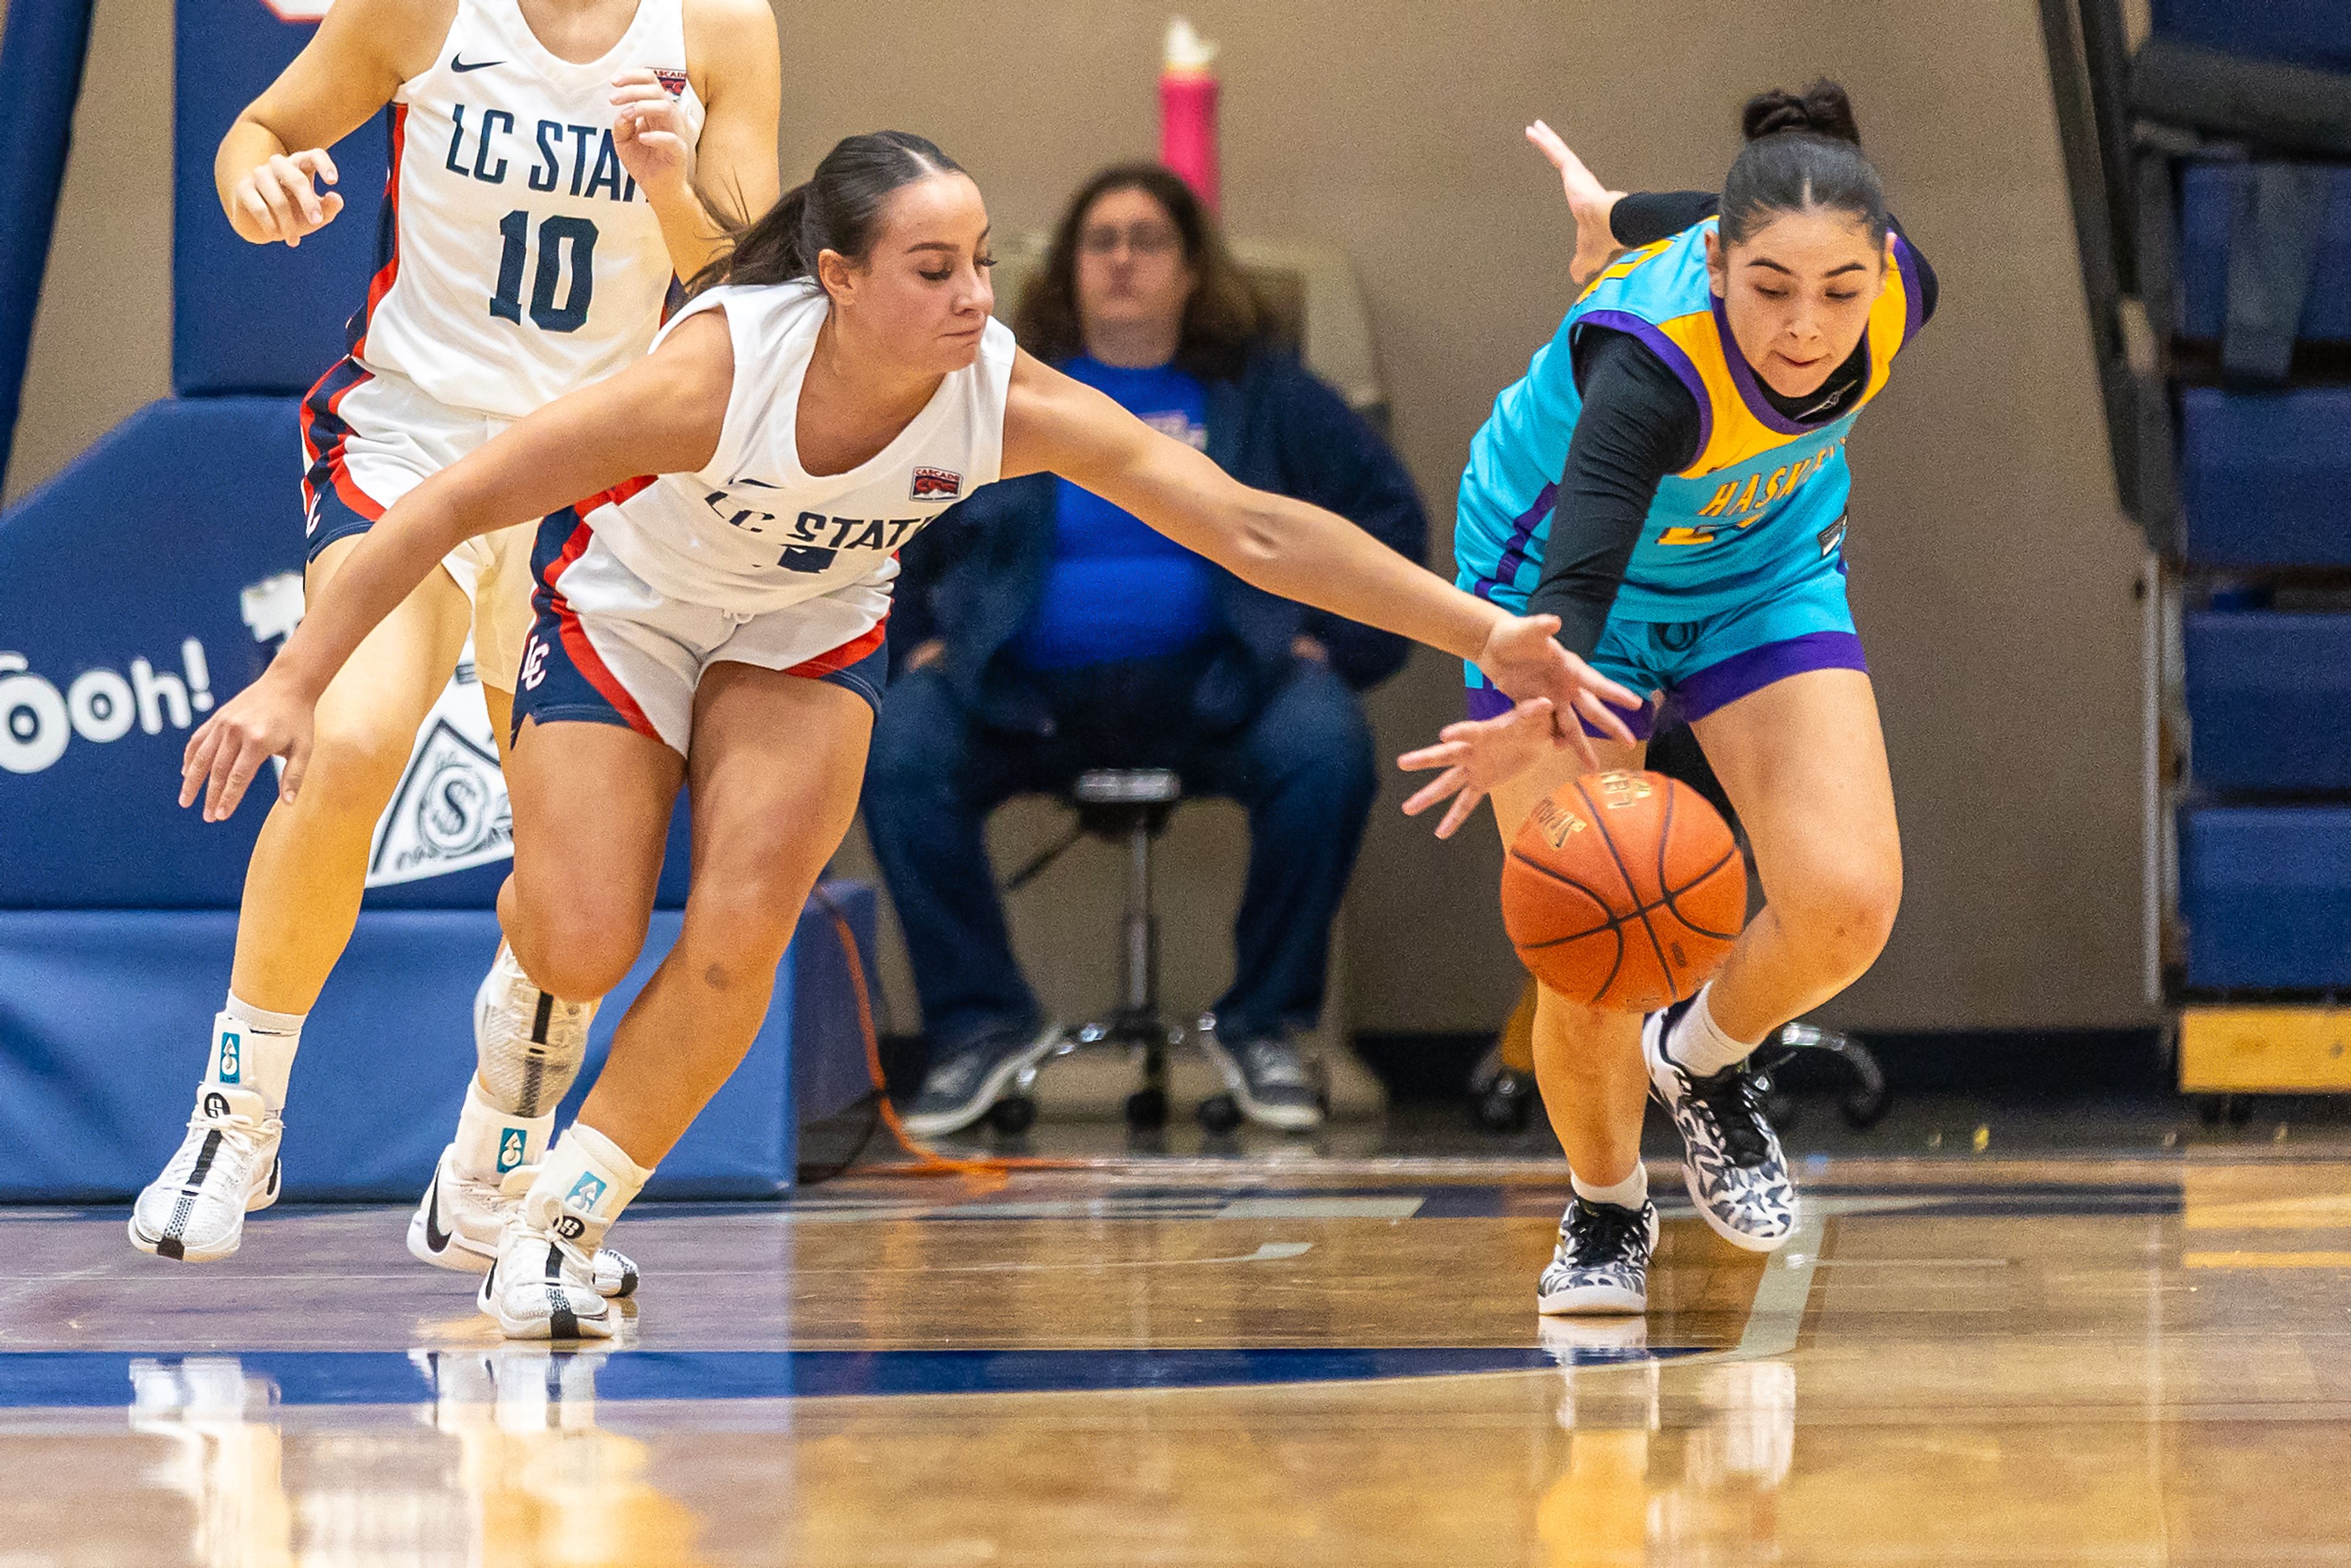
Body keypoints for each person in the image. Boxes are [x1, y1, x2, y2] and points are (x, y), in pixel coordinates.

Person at [176, 131, 1640, 1339]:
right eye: (934, 268)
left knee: (747, 916)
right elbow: (444, 504)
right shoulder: (714, 372)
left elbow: (1252, 526)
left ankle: (558, 1220)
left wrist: (1482, 632)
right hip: (625, 602)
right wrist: (296, 678)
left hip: (805, 631)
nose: (973, 295)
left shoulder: (993, 391)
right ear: (837, 280)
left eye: (985, 263)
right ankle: (514, 1058)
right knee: (580, 934)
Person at [128, 0, 782, 1296]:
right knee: (354, 737)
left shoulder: (721, 25)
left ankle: (493, 1165)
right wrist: (258, 185)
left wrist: (668, 181)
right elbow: (259, 128)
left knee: (573, 884)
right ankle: (238, 1117)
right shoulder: (426, 5)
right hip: (414, 441)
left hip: (595, 475)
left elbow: (746, 281)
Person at [1402, 83, 1938, 1315]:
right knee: (1590, 941)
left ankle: (1700, 1062)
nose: (1808, 326)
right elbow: (1580, 574)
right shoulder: (1648, 368)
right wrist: (1533, 712)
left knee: (1848, 904)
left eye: (1839, 291)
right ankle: (1603, 1211)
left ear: (1880, 267)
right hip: (1557, 596)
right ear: (1715, 265)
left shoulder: (1899, 286)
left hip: (1761, 572)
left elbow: (1777, 231)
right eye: (1770, 290)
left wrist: (1625, 209)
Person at [868, 163, 1428, 1137]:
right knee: (895, 743)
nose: (1123, 260)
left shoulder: (1267, 395)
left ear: (1191, 269)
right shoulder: (997, 388)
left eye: (1148, 241)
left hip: (1223, 690)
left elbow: (1389, 519)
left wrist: (1331, 646)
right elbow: (890, 513)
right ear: (1069, 269)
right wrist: (910, 644)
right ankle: (978, 1024)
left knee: (1324, 743)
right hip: (1014, 694)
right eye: (1101, 241)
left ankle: (1265, 1025)